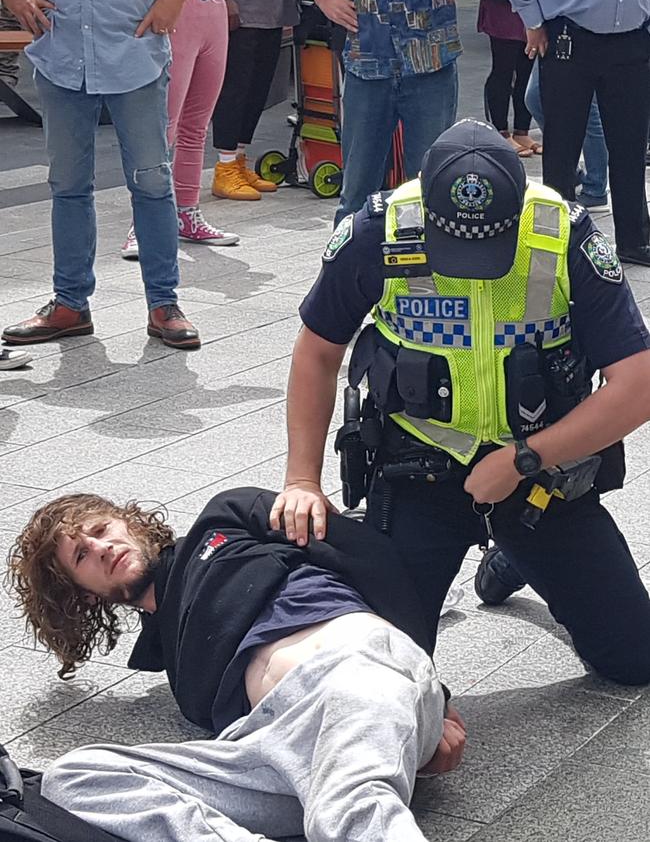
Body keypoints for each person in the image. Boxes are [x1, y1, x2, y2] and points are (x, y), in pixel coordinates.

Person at [270, 118, 650, 686]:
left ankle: (516, 553)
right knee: (384, 675)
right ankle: (513, 550)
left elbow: (638, 383)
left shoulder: (562, 233)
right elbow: (317, 353)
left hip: (538, 479)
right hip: (416, 471)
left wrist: (524, 458)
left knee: (635, 660)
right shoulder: (377, 231)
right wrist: (302, 478)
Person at [8, 486, 465, 842]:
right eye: (82, 555)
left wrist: (435, 696)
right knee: (75, 776)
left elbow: (372, 557)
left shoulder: (223, 520)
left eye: (101, 529)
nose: (101, 546)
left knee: (345, 812)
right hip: (270, 750)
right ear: (84, 594)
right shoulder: (173, 660)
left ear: (129, 524)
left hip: (353, 671)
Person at [0, 0, 222, 352]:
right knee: (67, 185)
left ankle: (164, 303)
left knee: (151, 183)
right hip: (61, 51)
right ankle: (70, 304)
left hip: (133, 50)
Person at [499, 0, 650, 267]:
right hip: (570, 37)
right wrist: (532, 21)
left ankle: (635, 240)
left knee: (630, 145)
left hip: (634, 39)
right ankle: (558, 239)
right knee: (562, 148)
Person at [300, 0, 461, 226]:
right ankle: (346, 264)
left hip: (431, 56)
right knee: (356, 194)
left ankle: (431, 264)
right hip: (367, 58)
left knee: (431, 189)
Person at [121, 0, 238, 260]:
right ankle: (143, 223)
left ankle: (187, 211)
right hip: (173, 7)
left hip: (212, 8)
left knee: (196, 126)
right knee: (164, 126)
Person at [210, 0, 299, 201]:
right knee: (235, 90)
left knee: (256, 91)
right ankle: (226, 165)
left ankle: (238, 160)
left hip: (272, 11)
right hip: (240, 8)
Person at [524, 59, 610, 213]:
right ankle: (570, 169)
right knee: (535, 98)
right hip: (554, 37)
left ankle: (596, 187)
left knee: (590, 109)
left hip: (587, 40)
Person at [477, 0, 537, 157]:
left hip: (529, 4)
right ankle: (500, 131)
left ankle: (522, 130)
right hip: (503, 1)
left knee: (527, 70)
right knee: (503, 70)